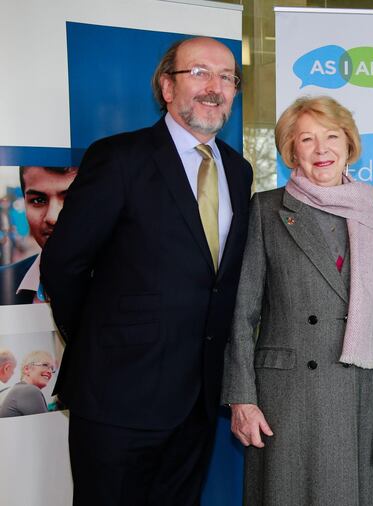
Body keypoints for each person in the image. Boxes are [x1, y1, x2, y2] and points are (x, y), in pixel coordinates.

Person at [40, 37, 253, 505]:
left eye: (226, 77)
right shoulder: (120, 157)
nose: (214, 87)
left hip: (197, 398)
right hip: (119, 394)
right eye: (199, 72)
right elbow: (64, 263)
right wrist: (102, 340)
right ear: (166, 86)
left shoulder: (239, 171)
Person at [222, 95, 373, 506]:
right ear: (292, 150)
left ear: (349, 145)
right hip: (288, 398)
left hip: (361, 395)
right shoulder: (268, 209)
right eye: (306, 139)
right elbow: (242, 314)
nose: (321, 149)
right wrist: (242, 397)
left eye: (331, 136)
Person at [0, 166, 77, 305]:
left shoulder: (126, 284)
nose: (52, 217)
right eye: (38, 200)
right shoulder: (3, 284)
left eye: (71, 199)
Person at [0, 350, 54, 417]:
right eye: (45, 365)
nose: (50, 371)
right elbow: (45, 426)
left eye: (52, 368)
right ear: (27, 369)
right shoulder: (29, 390)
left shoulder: (19, 390)